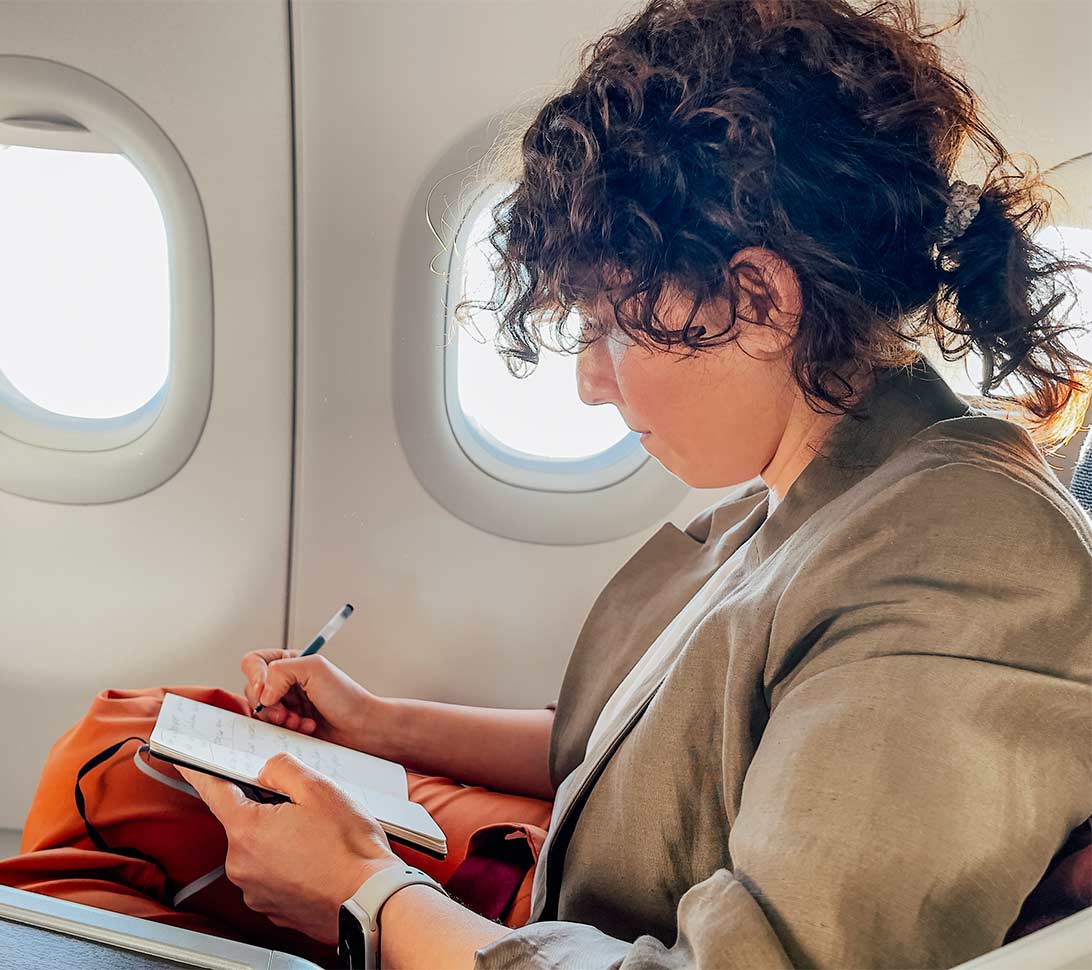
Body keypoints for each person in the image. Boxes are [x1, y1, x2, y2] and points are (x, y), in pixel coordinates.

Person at [179, 0, 1092, 967]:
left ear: (761, 300)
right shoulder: (801, 498)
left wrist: (368, 896)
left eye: (614, 324)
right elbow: (637, 749)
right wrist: (378, 723)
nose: (590, 379)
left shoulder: (958, 560)